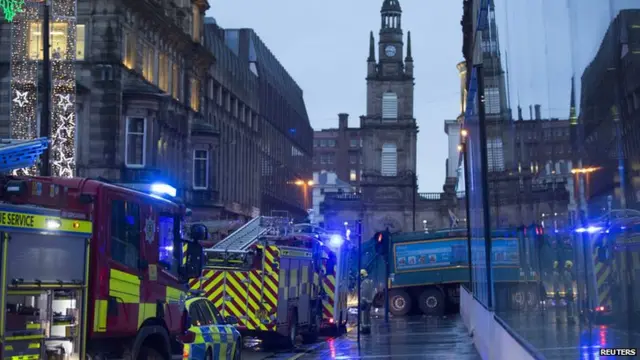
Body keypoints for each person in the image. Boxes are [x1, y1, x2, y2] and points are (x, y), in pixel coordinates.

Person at [360, 269, 375, 334]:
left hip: (365, 302)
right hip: (370, 301)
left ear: (362, 275)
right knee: (368, 316)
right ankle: (368, 329)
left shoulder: (363, 283)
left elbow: (364, 292)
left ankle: (364, 330)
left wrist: (363, 300)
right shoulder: (370, 282)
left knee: (364, 316)